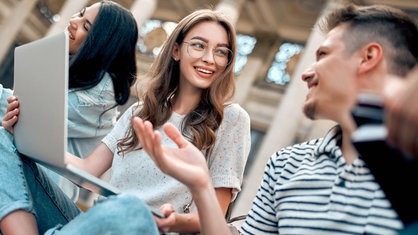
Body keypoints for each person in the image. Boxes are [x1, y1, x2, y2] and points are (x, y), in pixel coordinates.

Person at [134, 4, 418, 235]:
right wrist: (201, 187)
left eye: (323, 55)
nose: (305, 73)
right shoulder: (285, 164)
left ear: (367, 57)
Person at [0, 8, 251, 235]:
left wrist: (172, 221)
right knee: (3, 137)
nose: (210, 58)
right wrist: (21, 131)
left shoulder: (231, 119)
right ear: (176, 50)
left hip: (145, 226)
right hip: (100, 221)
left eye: (221, 52)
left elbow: (214, 217)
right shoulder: (140, 112)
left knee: (130, 206)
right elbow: (87, 169)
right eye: (199, 45)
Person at [2, 0, 139, 202]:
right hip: (27, 174)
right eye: (80, 14)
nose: (74, 21)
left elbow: (28, 111)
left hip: (48, 188)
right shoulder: (73, 69)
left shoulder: (102, 90)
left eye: (86, 26)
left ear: (103, 43)